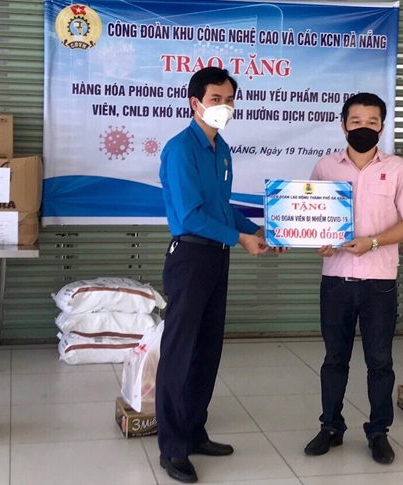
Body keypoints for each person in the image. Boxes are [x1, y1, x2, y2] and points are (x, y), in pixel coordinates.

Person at [157, 67, 276, 483]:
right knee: (179, 353)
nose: (224, 107)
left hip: (217, 257)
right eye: (215, 99)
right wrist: (241, 239)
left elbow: (221, 207)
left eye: (229, 100)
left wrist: (257, 230)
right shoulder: (180, 150)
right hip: (189, 257)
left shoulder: (221, 149)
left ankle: (194, 431)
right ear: (195, 103)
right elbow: (191, 217)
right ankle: (172, 449)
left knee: (207, 350)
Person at [305, 93, 403, 465]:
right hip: (336, 281)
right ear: (343, 125)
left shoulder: (398, 169)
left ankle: (378, 431)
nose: (363, 128)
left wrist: (374, 241)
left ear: (382, 127)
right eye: (355, 121)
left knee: (379, 362)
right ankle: (331, 427)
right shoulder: (325, 167)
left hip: (379, 282)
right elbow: (312, 218)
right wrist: (319, 244)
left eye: (371, 122)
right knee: (334, 360)